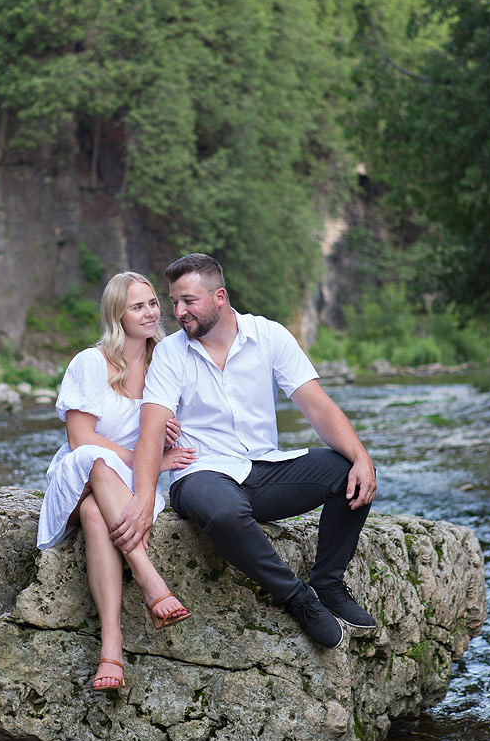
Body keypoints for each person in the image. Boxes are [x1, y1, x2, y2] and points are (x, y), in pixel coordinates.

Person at [109, 253, 378, 650]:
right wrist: (144, 498)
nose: (179, 312)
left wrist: (362, 457)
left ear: (219, 296)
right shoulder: (170, 354)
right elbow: (151, 429)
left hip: (263, 468)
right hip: (199, 474)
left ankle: (328, 583)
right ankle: (299, 598)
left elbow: (316, 405)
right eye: (175, 302)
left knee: (346, 472)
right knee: (223, 510)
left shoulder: (269, 336)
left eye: (189, 301)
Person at [37, 271, 196, 692]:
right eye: (137, 306)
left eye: (152, 303)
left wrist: (166, 439)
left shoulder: (168, 362)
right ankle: (148, 578)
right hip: (80, 474)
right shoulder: (90, 362)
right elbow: (80, 439)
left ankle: (111, 648)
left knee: (96, 514)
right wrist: (153, 462)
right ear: (117, 314)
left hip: (124, 486)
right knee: (97, 460)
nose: (150, 312)